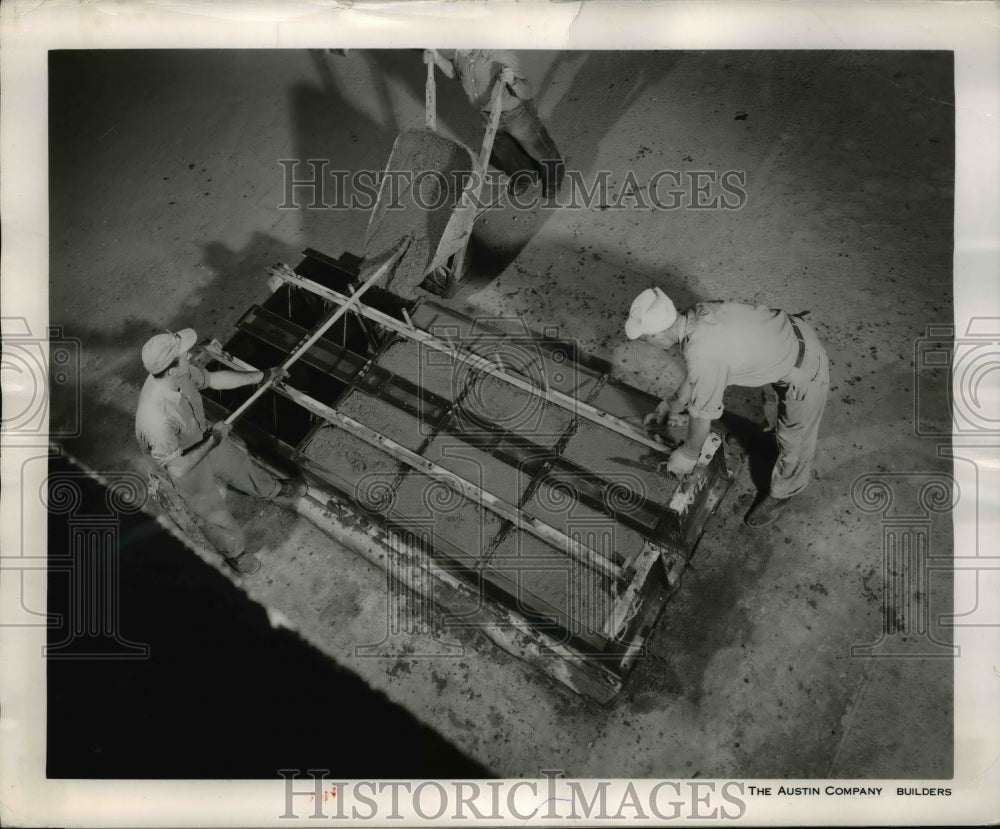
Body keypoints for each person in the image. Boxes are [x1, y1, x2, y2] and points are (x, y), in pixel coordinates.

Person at [625, 288, 830, 527]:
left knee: (796, 439)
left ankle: (784, 492)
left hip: (806, 365)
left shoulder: (704, 355)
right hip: (781, 335)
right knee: (774, 404)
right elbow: (698, 374)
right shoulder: (696, 313)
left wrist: (688, 454)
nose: (647, 343)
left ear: (658, 336)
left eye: (645, 338)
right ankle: (771, 440)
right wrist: (673, 404)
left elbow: (702, 415)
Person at [134, 328, 306, 575]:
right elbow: (179, 467)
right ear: (171, 369)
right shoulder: (155, 420)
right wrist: (214, 438)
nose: (191, 355)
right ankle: (234, 552)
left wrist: (263, 375)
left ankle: (273, 489)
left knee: (240, 465)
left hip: (204, 437)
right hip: (181, 465)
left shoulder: (176, 375)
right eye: (185, 355)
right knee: (211, 512)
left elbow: (214, 380)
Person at [424, 49, 565, 199]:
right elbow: (456, 72)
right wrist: (438, 58)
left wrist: (513, 81)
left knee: (537, 146)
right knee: (506, 153)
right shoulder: (462, 53)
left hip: (515, 113)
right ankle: (524, 175)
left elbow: (527, 93)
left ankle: (554, 175)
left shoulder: (501, 56)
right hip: (488, 115)